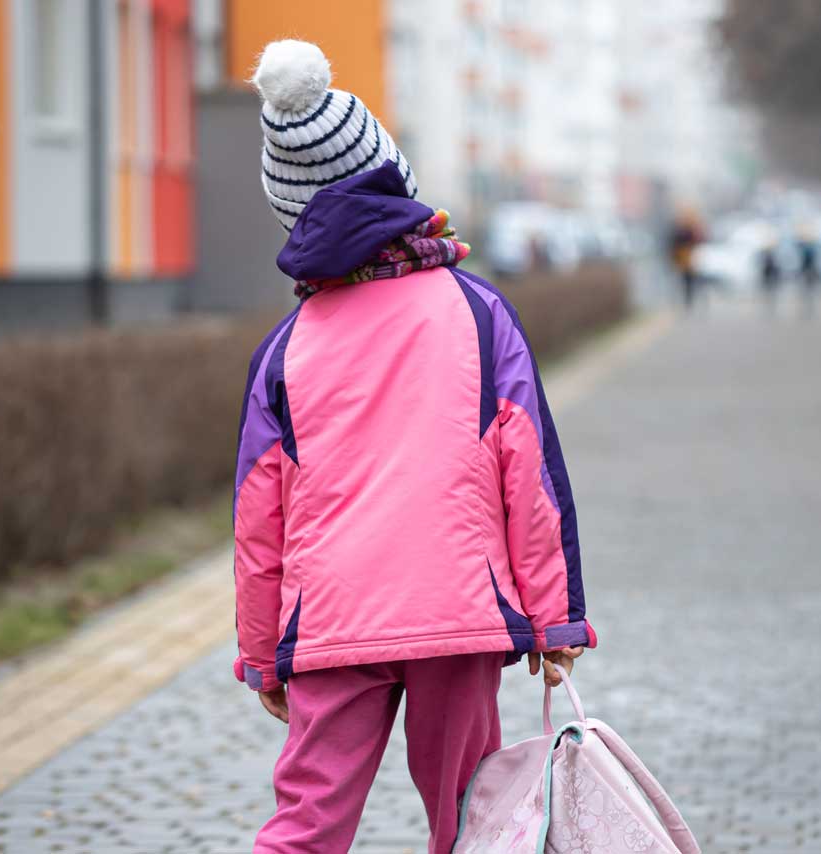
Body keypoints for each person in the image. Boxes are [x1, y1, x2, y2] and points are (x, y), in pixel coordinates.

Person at [233, 41, 595, 854]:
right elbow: (528, 476)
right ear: (394, 178)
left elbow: (260, 518)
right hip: (459, 613)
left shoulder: (286, 349)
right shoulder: (476, 312)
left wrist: (263, 652)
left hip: (330, 624)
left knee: (306, 823)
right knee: (474, 815)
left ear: (293, 216)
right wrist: (555, 616)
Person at [668, 207, 704, 308]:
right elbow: (674, 242)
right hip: (684, 257)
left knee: (689, 281)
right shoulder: (681, 229)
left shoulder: (691, 229)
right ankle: (687, 301)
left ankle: (689, 301)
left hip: (690, 257)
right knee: (686, 281)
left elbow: (698, 240)